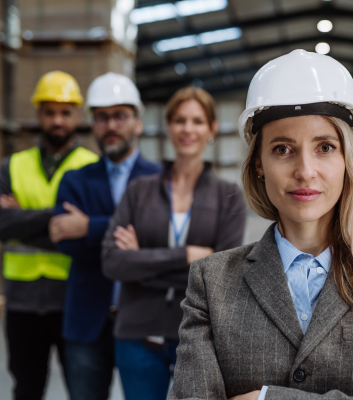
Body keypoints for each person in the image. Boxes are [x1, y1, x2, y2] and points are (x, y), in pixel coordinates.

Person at [168, 49, 353, 400]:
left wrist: (265, 399)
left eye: (325, 147)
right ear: (259, 163)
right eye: (283, 149)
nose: (305, 170)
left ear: (348, 159)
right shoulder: (211, 283)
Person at [102, 85, 246, 400]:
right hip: (136, 333)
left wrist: (141, 260)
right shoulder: (138, 191)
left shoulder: (229, 197)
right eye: (180, 120)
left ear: (212, 129)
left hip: (199, 336)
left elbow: (221, 277)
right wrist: (186, 256)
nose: (187, 129)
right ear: (168, 127)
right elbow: (113, 262)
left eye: (197, 121)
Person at [50, 72, 162, 400]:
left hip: (143, 321)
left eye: (120, 116)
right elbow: (65, 239)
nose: (111, 125)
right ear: (93, 124)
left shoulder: (160, 179)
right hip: (87, 322)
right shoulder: (75, 180)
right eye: (102, 117)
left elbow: (159, 238)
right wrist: (126, 234)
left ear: (137, 123)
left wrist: (90, 227)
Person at [0, 71, 99, 400]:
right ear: (38, 115)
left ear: (77, 116)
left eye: (65, 112)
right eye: (49, 111)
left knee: (82, 390)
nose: (57, 119)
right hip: (22, 302)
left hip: (73, 300)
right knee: (26, 390)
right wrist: (58, 218)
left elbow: (94, 236)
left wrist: (22, 219)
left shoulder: (92, 167)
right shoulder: (11, 166)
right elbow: (2, 223)